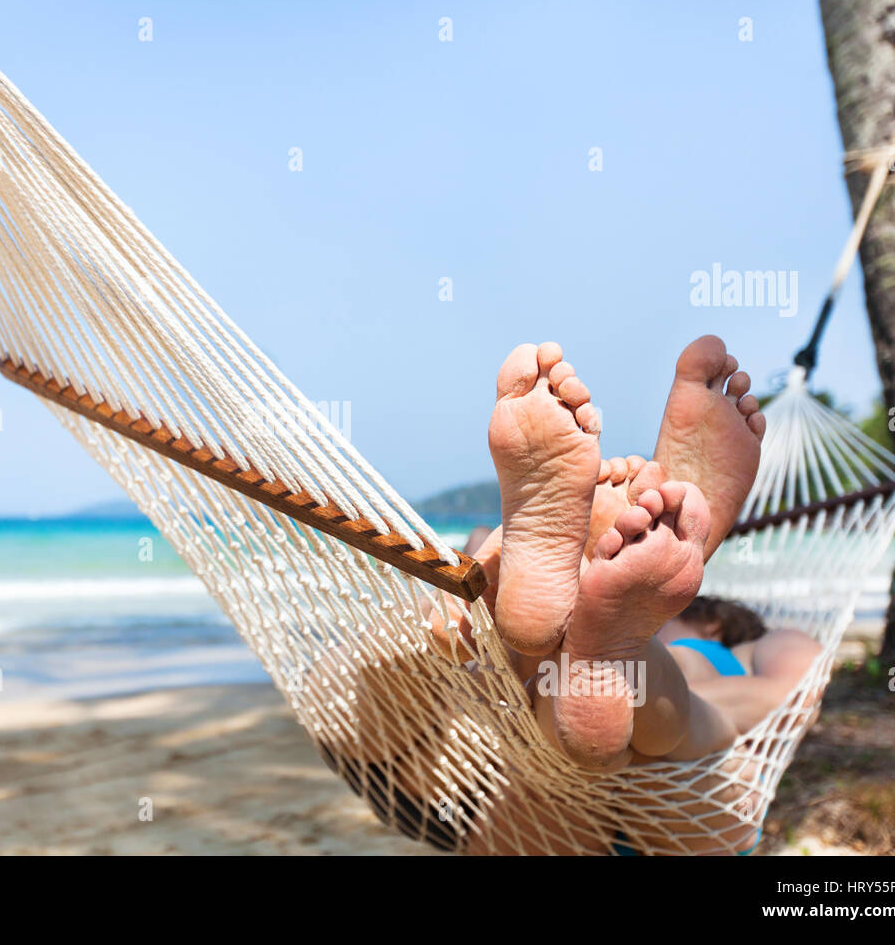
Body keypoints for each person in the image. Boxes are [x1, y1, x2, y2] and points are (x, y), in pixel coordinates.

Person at [315, 335, 821, 854]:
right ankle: (570, 645)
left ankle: (491, 626)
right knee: (671, 709)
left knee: (362, 692)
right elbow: (796, 695)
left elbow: (789, 696)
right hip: (654, 810)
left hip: (529, 800)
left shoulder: (726, 648)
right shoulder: (739, 659)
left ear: (712, 623)